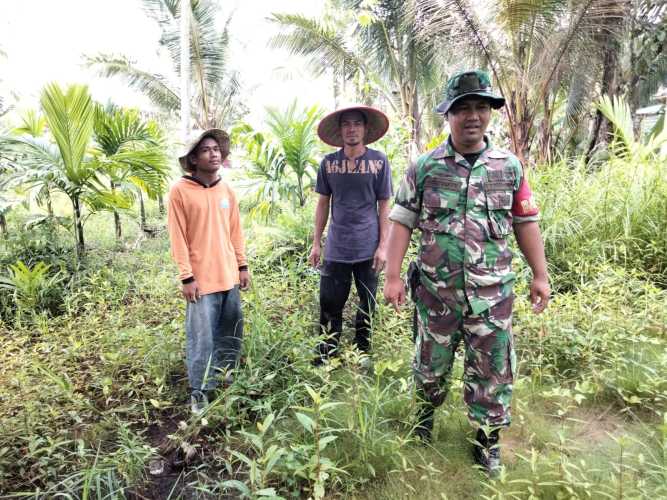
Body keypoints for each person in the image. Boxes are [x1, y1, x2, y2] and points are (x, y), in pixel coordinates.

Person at [383, 70, 550, 475]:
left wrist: (540, 275)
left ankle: (487, 442)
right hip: (437, 296)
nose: (472, 116)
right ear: (449, 115)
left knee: (492, 371)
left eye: (480, 107)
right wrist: (391, 277)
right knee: (429, 367)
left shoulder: (508, 167)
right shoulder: (424, 167)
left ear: (489, 113)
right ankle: (423, 420)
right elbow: (402, 221)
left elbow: (525, 223)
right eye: (463, 108)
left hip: (492, 296)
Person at [167, 129, 250, 415]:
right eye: (206, 150)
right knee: (201, 340)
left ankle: (227, 382)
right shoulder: (180, 191)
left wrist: (242, 265)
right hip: (201, 282)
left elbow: (235, 231)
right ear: (193, 158)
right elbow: (177, 237)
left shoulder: (226, 190)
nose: (214, 154)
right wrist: (186, 277)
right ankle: (200, 394)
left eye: (217, 149)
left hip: (229, 277)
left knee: (231, 333)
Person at [309, 105, 393, 368]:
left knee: (367, 303)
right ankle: (327, 354)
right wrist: (316, 243)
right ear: (340, 130)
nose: (352, 129)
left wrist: (383, 247)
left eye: (357, 124)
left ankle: (363, 353)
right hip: (336, 247)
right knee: (329, 303)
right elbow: (323, 203)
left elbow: (384, 205)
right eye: (347, 124)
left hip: (368, 247)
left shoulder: (379, 161)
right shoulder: (329, 163)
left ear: (365, 129)